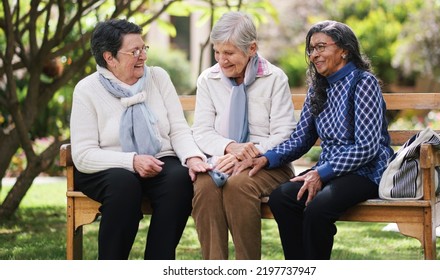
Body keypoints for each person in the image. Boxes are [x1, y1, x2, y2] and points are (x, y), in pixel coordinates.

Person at [236, 20, 394, 260]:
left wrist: (321, 173)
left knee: (318, 208)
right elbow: (301, 138)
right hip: (328, 170)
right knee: (283, 197)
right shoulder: (318, 88)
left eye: (321, 47)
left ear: (344, 50)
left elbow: (367, 147)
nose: (314, 55)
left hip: (366, 171)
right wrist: (266, 159)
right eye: (311, 49)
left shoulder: (364, 83)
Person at [70, 19, 210, 260]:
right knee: (124, 185)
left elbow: (178, 129)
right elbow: (83, 155)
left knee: (179, 179)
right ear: (109, 58)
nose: (143, 56)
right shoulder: (87, 90)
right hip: (108, 167)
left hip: (159, 158)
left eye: (144, 48)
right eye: (134, 51)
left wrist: (193, 156)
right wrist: (132, 161)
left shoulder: (158, 78)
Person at [191, 11, 297, 260]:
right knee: (205, 186)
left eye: (228, 53)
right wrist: (230, 148)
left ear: (251, 48)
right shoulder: (208, 79)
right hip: (222, 160)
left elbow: (285, 132)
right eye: (217, 52)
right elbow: (201, 131)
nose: (221, 60)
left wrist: (251, 152)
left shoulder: (274, 78)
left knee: (239, 185)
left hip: (268, 163)